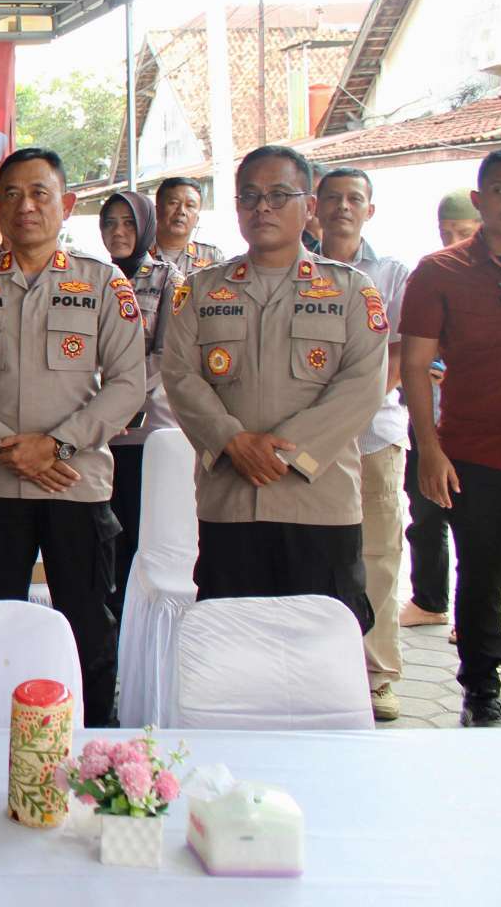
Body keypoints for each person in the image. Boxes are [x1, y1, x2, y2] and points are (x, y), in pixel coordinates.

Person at [0, 149, 145, 727]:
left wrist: (57, 445)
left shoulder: (104, 284)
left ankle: (95, 751)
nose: (26, 206)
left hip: (77, 485)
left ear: (67, 204)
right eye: (12, 195)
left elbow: (129, 384)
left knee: (87, 628)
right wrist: (7, 446)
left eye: (40, 193)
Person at [163, 146, 386, 639]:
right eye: (250, 196)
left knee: (321, 647)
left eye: (279, 195)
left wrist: (286, 453)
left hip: (319, 503)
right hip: (230, 501)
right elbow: (179, 375)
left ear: (309, 207)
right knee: (233, 646)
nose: (262, 207)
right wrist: (232, 441)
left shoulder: (351, 291)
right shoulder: (198, 291)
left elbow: (362, 384)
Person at [400, 149, 501, 727]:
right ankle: (480, 689)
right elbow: (416, 366)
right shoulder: (438, 271)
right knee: (481, 575)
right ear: (479, 200)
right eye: (499, 190)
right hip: (475, 450)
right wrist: (430, 449)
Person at [314, 167, 410, 722]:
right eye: (333, 199)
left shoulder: (392, 273)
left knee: (377, 555)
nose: (343, 208)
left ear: (369, 210)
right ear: (314, 209)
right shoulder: (298, 271)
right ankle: (327, 668)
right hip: (306, 445)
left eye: (355, 199)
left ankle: (377, 676)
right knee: (323, 555)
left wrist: (343, 418)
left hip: (371, 438)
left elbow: (398, 358)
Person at [96, 189, 184, 606]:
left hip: (143, 431)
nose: (118, 231)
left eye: (128, 222)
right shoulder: (90, 278)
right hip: (95, 433)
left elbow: (168, 355)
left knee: (137, 534)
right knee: (102, 537)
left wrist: (120, 396)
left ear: (146, 226)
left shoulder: (168, 279)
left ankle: (136, 628)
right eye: (110, 223)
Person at [400, 188, 481, 634]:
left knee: (478, 529)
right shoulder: (433, 272)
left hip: (481, 428)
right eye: (445, 231)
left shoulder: (494, 278)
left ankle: (471, 614)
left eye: (463, 232)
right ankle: (430, 600)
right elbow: (413, 354)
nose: (452, 240)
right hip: (429, 421)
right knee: (426, 514)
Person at [151, 176, 223, 275]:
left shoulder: (211, 256)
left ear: (197, 219)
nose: (181, 211)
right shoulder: (139, 253)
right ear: (156, 211)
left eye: (190, 205)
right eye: (173, 203)